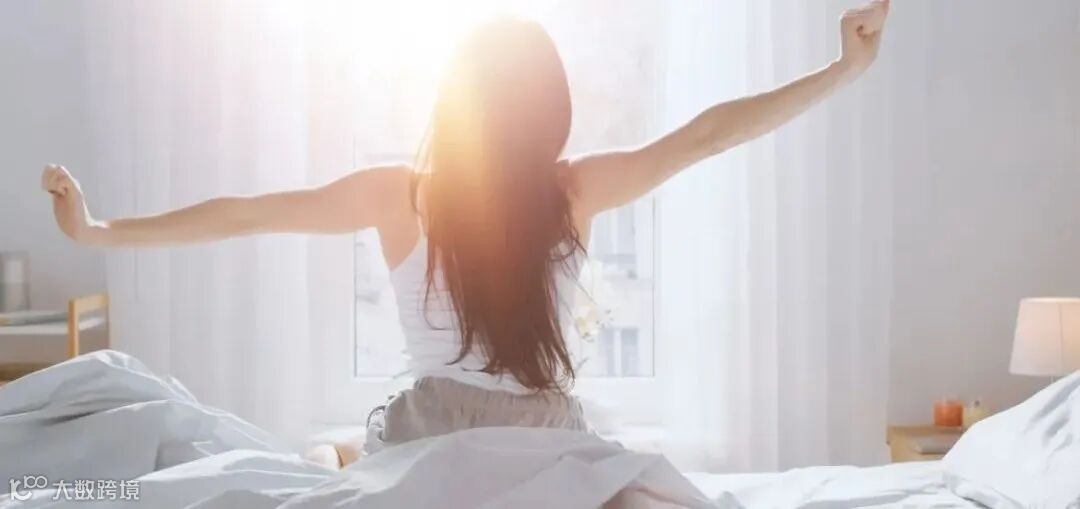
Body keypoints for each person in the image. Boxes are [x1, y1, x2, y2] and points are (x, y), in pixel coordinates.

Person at [42, 1, 889, 467]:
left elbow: (246, 213)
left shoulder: (401, 196)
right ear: (549, 108)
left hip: (433, 434)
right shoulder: (574, 190)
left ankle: (334, 458)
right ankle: (335, 458)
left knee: (330, 459)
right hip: (542, 440)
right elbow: (708, 137)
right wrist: (844, 69)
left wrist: (100, 231)